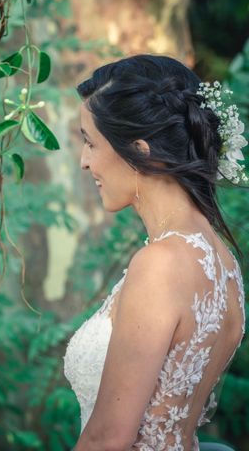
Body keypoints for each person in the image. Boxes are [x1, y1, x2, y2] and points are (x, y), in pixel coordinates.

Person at [63, 55, 246, 450]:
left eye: (91, 142)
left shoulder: (160, 265)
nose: (85, 161)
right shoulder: (224, 262)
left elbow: (108, 438)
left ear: (140, 151)